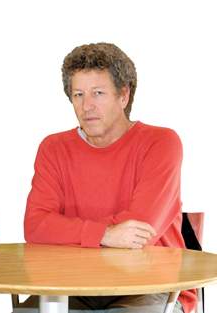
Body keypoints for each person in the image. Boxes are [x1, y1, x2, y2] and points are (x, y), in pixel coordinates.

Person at [24, 43, 194, 313]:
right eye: (78, 94)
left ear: (123, 95)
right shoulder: (53, 148)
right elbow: (35, 227)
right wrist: (106, 234)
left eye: (98, 93)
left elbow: (141, 232)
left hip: (149, 286)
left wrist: (64, 230)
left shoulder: (161, 143)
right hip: (71, 284)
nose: (86, 105)